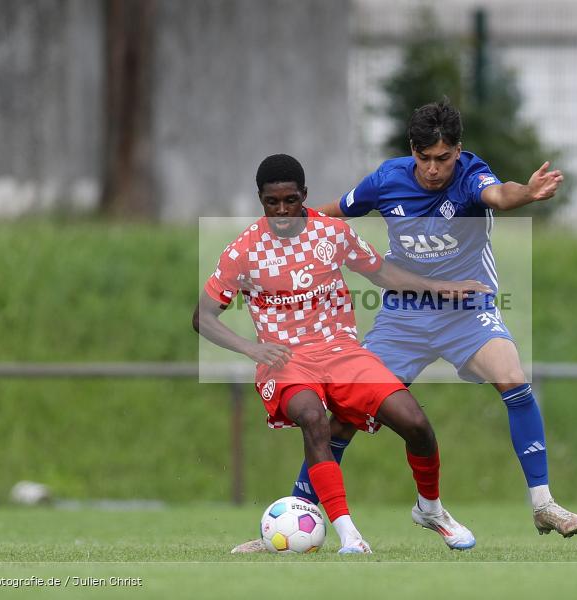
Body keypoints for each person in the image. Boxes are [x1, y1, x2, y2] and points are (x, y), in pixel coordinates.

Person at [231, 101, 577, 554]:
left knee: (513, 377)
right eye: (425, 158)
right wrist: (279, 226)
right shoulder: (387, 180)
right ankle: (295, 517)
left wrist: (527, 193)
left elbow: (501, 195)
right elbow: (333, 211)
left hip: (465, 309)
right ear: (412, 151)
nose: (434, 169)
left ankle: (543, 503)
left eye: (444, 158)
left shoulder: (472, 175)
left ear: (459, 150)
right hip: (403, 316)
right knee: (341, 419)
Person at [195, 153, 488, 554]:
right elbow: (203, 317)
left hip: (342, 354)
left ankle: (431, 510)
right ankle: (349, 534)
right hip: (285, 361)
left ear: (305, 196)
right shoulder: (243, 251)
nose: (282, 211)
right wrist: (252, 348)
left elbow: (380, 271)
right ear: (260, 200)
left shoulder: (332, 233)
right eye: (272, 202)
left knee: (415, 423)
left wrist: (439, 288)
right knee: (314, 419)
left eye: (291, 200)